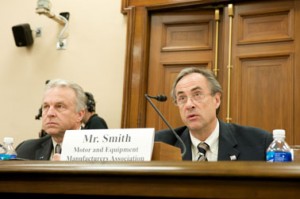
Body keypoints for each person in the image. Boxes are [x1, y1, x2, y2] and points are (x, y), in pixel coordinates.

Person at [154, 67, 273, 161]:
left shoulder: (258, 143)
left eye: (197, 95)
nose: (189, 105)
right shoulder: (159, 144)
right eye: (182, 98)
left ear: (216, 100)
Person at [16, 79, 86, 160]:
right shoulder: (25, 150)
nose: (50, 113)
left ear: (79, 115)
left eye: (59, 106)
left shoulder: (98, 150)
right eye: (46, 106)